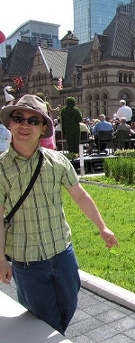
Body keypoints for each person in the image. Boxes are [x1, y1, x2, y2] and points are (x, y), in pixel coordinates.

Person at [0, 94, 119, 334]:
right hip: (27, 260)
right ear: (10, 123)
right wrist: (2, 259)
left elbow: (80, 196)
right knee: (45, 321)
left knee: (68, 306)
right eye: (19, 118)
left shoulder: (57, 161)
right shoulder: (2, 168)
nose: (25, 125)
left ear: (43, 128)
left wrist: (102, 227)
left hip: (62, 253)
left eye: (33, 121)